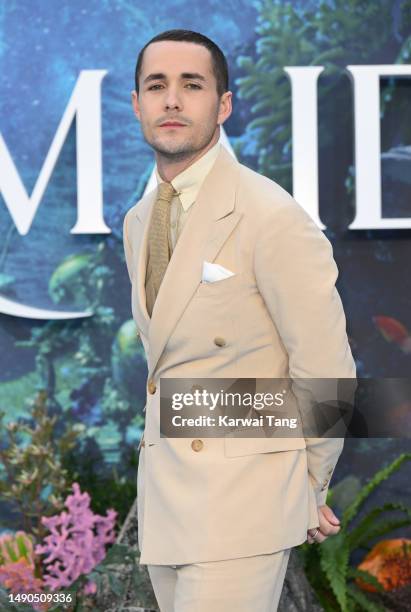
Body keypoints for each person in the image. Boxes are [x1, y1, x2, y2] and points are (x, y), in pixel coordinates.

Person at [122, 28, 356, 612]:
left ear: (223, 105)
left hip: (242, 508)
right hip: (167, 506)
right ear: (137, 104)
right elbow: (167, 376)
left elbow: (326, 368)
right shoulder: (138, 220)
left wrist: (306, 486)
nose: (172, 100)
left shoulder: (272, 215)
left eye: (191, 85)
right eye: (157, 85)